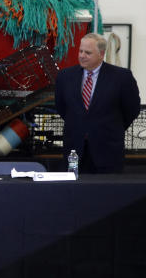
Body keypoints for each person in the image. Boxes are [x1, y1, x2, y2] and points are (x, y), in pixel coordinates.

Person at [54, 32, 140, 173]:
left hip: (108, 151)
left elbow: (132, 109)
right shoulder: (65, 76)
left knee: (107, 193)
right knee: (73, 193)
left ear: (101, 54)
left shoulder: (122, 77)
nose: (82, 55)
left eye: (88, 52)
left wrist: (110, 128)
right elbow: (62, 107)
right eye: (80, 51)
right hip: (74, 149)